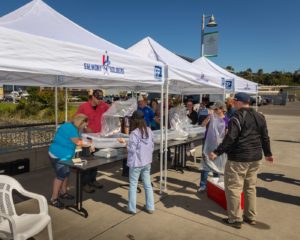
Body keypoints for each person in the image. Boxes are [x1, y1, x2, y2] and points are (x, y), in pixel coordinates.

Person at [209, 92, 274, 229]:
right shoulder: (260, 116)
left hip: (239, 158)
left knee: (233, 188)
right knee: (250, 187)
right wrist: (267, 153)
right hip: (255, 158)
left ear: (239, 102)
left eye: (234, 101)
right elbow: (265, 137)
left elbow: (230, 138)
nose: (232, 103)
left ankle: (235, 218)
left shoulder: (237, 117)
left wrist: (217, 152)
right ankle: (250, 216)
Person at [49, 114, 92, 208]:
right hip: (58, 154)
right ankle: (54, 199)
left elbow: (79, 141)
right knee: (60, 176)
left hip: (66, 155)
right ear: (80, 122)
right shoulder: (70, 128)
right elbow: (78, 142)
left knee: (66, 173)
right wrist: (91, 143)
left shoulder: (74, 127)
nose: (85, 126)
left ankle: (63, 192)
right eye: (85, 124)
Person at [118, 110, 155, 214]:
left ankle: (131, 208)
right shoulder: (149, 130)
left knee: (133, 185)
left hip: (136, 163)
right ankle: (150, 207)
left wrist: (124, 143)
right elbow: (152, 146)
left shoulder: (134, 133)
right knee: (147, 185)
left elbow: (132, 149)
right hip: (147, 162)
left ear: (135, 121)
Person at [76, 89, 110, 193]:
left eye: (101, 99)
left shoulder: (103, 105)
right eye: (98, 99)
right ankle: (85, 183)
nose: (100, 101)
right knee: (87, 160)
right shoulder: (84, 106)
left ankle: (93, 180)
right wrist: (86, 127)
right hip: (87, 138)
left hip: (98, 138)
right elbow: (77, 119)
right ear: (93, 97)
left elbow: (113, 111)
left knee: (96, 160)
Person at [198, 101, 229, 192]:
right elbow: (202, 125)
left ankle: (215, 184)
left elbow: (227, 135)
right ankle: (203, 185)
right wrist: (208, 117)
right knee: (205, 165)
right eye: (213, 109)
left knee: (217, 167)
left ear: (222, 109)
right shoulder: (211, 118)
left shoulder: (227, 120)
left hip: (219, 148)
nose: (214, 110)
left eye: (216, 109)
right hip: (208, 144)